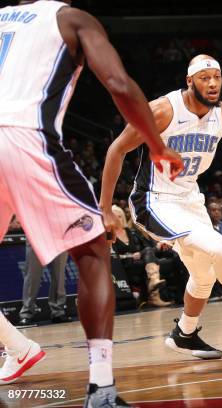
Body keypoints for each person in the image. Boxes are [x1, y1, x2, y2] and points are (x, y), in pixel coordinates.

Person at [0, 1, 183, 405]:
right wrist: (155, 144)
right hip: (24, 135)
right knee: (93, 251)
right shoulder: (70, 18)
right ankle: (101, 386)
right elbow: (118, 83)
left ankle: (18, 347)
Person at [101, 55, 222, 362]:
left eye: (216, 77)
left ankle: (185, 333)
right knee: (219, 247)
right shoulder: (162, 111)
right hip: (154, 200)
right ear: (189, 81)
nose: (212, 83)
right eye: (204, 78)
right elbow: (116, 150)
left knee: (204, 274)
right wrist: (104, 209)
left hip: (191, 199)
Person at [110, 205, 172, 307]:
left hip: (142, 260)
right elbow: (112, 255)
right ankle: (154, 294)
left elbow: (147, 249)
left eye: (120, 216)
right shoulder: (109, 236)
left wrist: (156, 248)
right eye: (115, 216)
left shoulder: (132, 233)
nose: (118, 219)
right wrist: (130, 256)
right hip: (125, 264)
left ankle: (155, 284)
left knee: (155, 254)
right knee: (150, 257)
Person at [19, 239, 70, 326]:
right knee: (32, 274)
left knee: (59, 274)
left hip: (59, 234)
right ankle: (27, 312)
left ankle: (58, 312)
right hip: (36, 233)